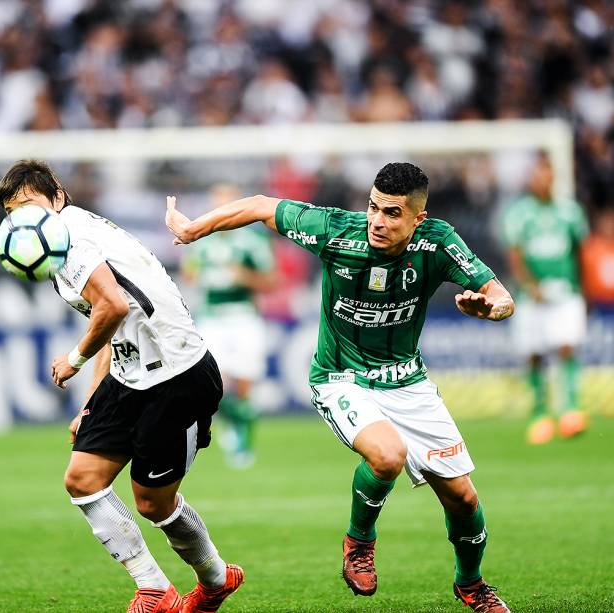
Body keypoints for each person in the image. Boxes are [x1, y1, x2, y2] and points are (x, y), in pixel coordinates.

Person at [165, 162, 515, 613]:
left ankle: (471, 584)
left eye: (391, 213)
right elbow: (258, 206)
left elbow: (500, 294)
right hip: (340, 378)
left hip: (407, 380)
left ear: (417, 219)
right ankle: (359, 541)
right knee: (387, 456)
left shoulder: (439, 241)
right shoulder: (336, 230)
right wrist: (195, 230)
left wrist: (493, 309)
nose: (377, 221)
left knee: (463, 498)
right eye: (373, 208)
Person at [0, 160, 244, 613]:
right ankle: (155, 588)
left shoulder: (70, 237)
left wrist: (72, 361)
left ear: (57, 197)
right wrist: (90, 405)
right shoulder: (57, 242)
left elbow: (109, 307)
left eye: (32, 207)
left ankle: (214, 579)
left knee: (153, 504)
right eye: (15, 214)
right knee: (83, 479)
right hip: (131, 374)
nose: (25, 222)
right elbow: (111, 318)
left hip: (177, 374)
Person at [181, 183, 277, 468]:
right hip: (212, 317)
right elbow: (188, 275)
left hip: (244, 316)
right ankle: (232, 427)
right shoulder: (202, 241)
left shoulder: (253, 241)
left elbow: (272, 281)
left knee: (246, 384)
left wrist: (244, 276)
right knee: (213, 386)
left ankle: (243, 443)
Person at [501, 155, 590, 444]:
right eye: (537, 175)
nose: (543, 180)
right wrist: (529, 284)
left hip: (565, 292)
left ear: (554, 177)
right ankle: (540, 414)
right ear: (531, 179)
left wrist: (583, 288)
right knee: (535, 354)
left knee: (567, 347)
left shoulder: (570, 211)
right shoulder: (520, 213)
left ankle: (571, 411)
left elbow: (580, 251)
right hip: (532, 296)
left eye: (547, 174)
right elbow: (514, 254)